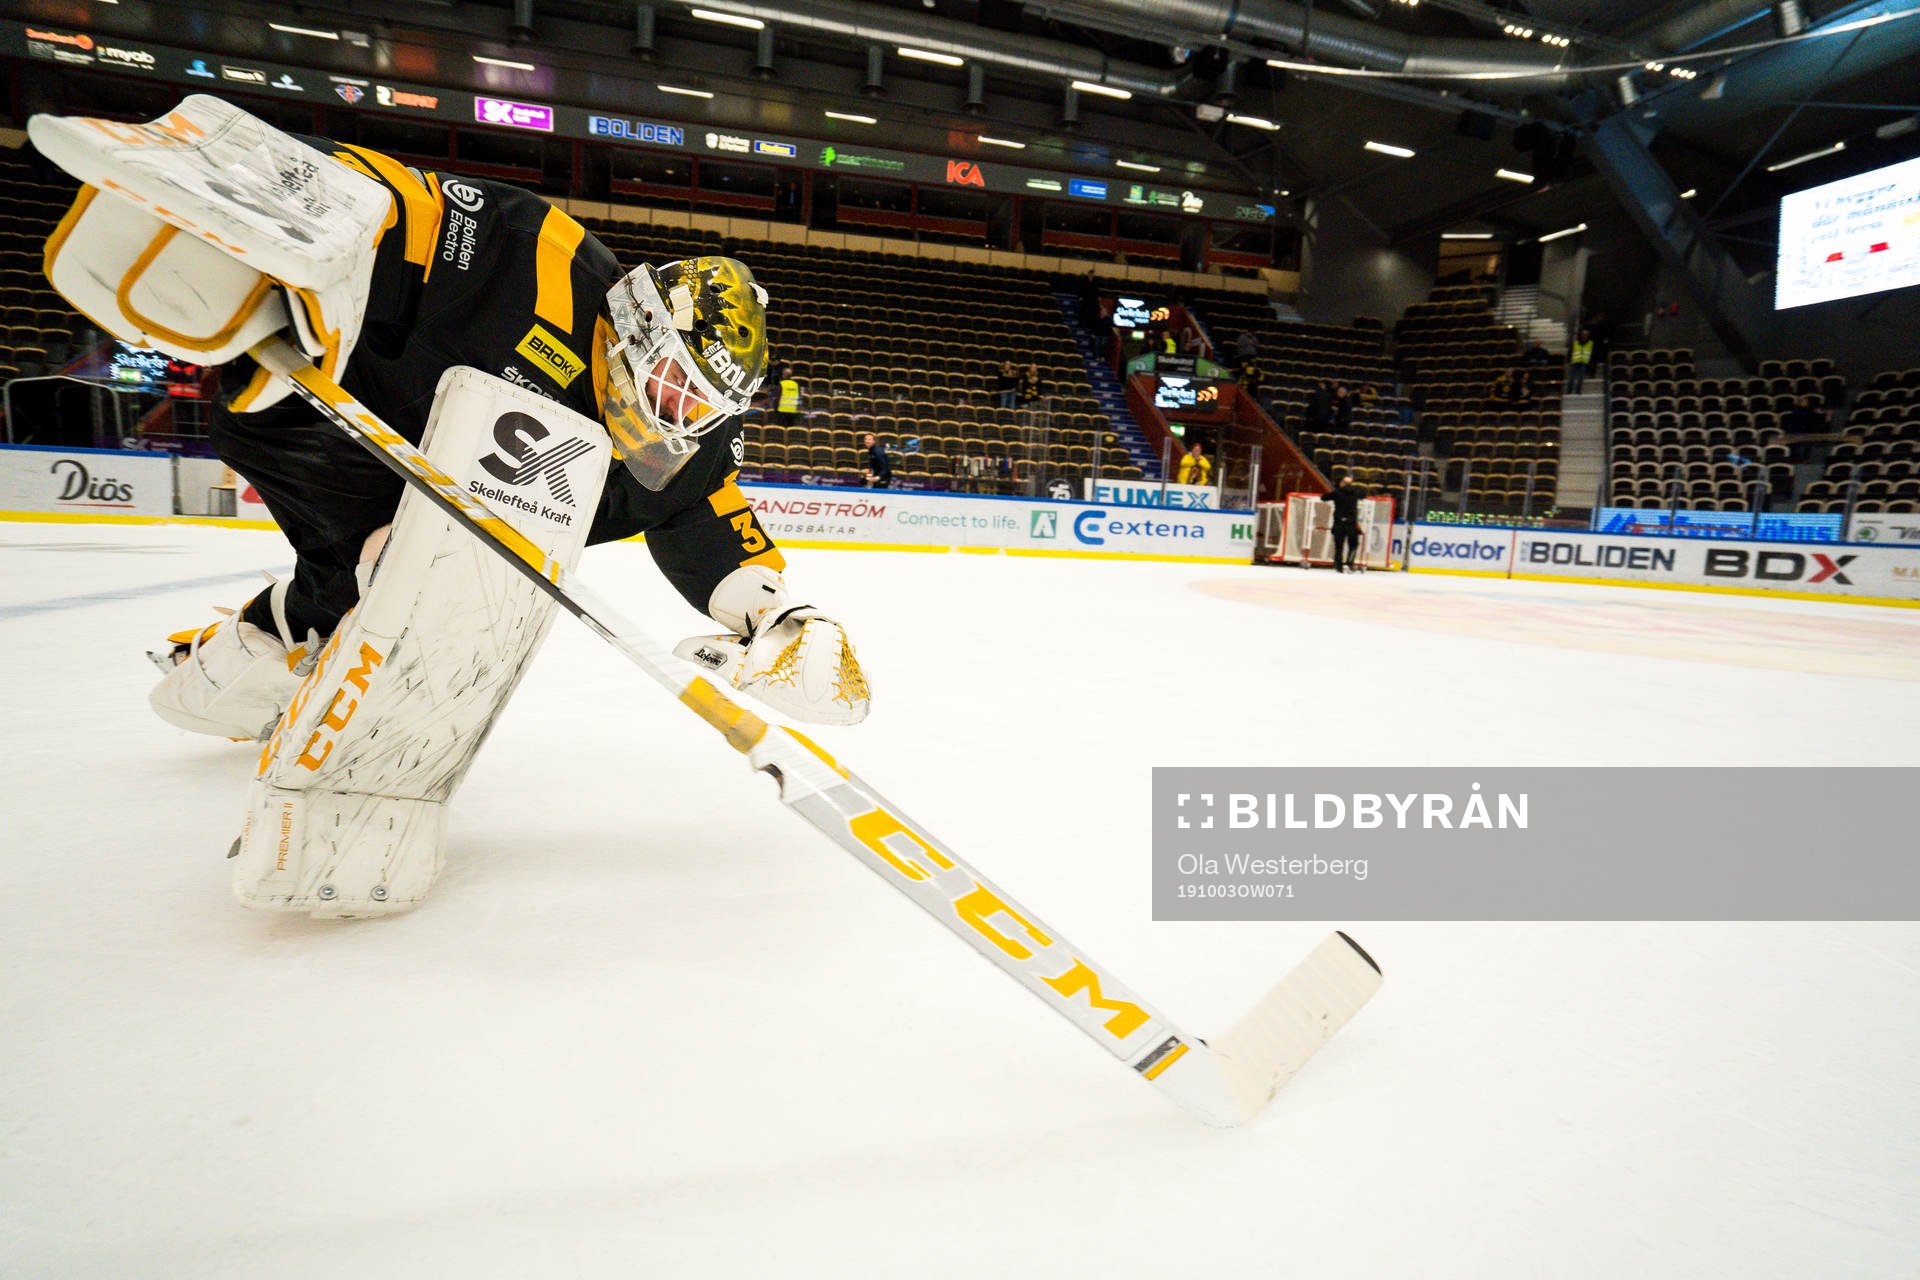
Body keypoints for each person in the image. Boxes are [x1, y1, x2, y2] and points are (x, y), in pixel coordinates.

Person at [35, 95, 871, 915]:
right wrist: (260, 198)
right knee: (383, 570)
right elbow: (390, 198)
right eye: (672, 387)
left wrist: (782, 621)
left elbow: (707, 512)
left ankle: (246, 653)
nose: (675, 418)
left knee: (368, 583)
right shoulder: (535, 258)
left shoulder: (679, 444)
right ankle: (268, 643)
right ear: (637, 326)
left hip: (430, 494)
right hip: (320, 415)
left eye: (701, 408)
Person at [1326, 474, 1364, 573]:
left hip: (1339, 523)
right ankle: (1349, 563)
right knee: (1353, 545)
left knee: (1339, 546)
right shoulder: (1355, 492)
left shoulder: (1337, 492)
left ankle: (1339, 566)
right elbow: (1363, 494)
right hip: (1351, 523)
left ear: (1342, 483)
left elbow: (1324, 497)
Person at [1567, 328, 1594, 393]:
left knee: (1580, 378)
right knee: (1571, 378)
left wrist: (1591, 362)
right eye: (1583, 334)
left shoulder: (1590, 343)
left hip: (1584, 362)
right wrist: (1568, 360)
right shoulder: (1575, 342)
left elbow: (1592, 352)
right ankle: (1569, 390)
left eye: (1586, 334)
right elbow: (1571, 351)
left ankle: (1578, 391)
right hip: (1575, 361)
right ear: (1581, 334)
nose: (1585, 335)